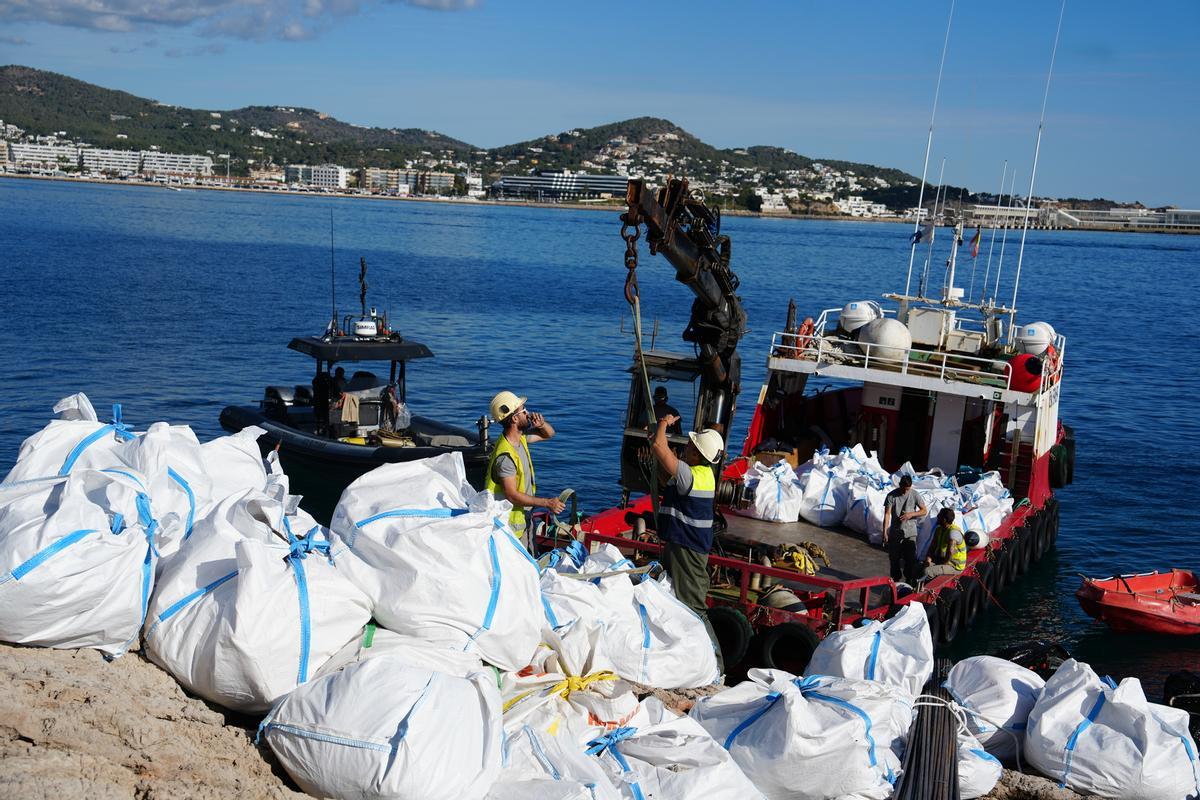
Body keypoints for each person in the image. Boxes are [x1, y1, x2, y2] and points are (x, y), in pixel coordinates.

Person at [651, 413, 725, 673]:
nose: (687, 447)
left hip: (688, 551)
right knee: (672, 597)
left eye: (692, 446)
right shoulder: (701, 474)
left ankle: (716, 666)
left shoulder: (692, 476)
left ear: (698, 455)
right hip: (681, 545)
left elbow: (661, 449)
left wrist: (663, 425)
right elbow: (667, 476)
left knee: (695, 607)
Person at [484, 390, 565, 548]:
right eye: (524, 411)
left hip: (523, 518)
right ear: (514, 418)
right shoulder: (505, 456)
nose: (528, 414)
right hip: (510, 524)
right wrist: (547, 503)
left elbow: (549, 434)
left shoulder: (520, 438)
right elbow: (512, 495)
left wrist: (541, 425)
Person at [883, 474, 928, 584]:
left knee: (910, 559)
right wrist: (884, 532)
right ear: (900, 485)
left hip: (910, 533)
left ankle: (909, 580)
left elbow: (924, 510)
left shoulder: (914, 494)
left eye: (907, 489)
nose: (905, 491)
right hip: (895, 532)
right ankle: (895, 580)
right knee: (894, 559)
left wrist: (911, 514)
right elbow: (887, 514)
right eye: (903, 488)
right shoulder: (891, 496)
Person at [925, 508, 966, 577]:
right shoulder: (939, 530)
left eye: (939, 515)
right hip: (941, 560)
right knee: (919, 566)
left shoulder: (953, 532)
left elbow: (950, 551)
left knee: (928, 571)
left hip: (954, 565)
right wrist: (928, 560)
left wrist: (942, 564)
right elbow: (933, 546)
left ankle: (923, 587)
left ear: (944, 520)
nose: (937, 516)